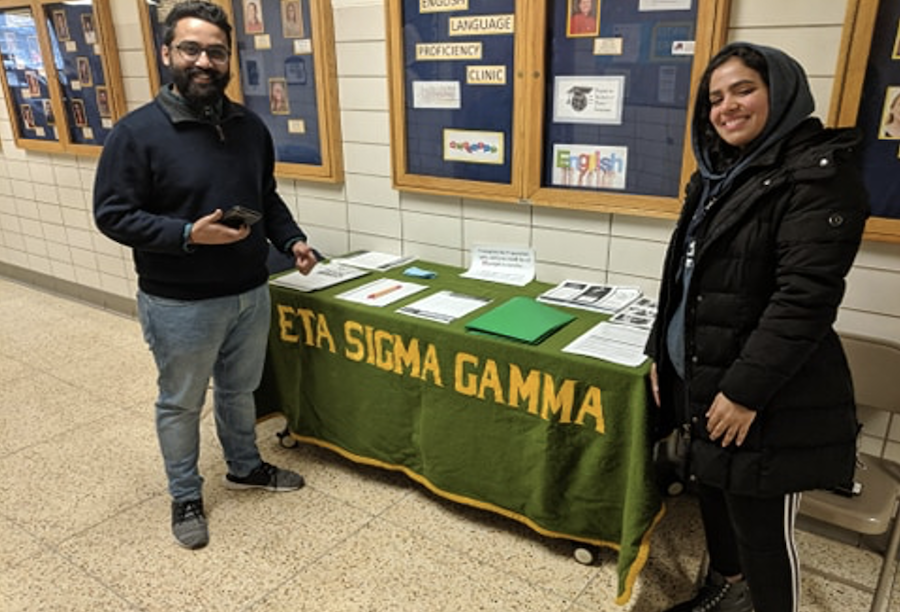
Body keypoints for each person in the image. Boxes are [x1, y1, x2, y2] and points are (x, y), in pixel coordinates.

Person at [646, 42, 868, 612]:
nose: (727, 107)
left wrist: (745, 393)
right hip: (703, 377)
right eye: (716, 97)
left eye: (744, 89)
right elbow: (684, 280)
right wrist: (658, 353)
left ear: (783, 91)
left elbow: (806, 299)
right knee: (715, 499)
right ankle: (725, 591)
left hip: (766, 396)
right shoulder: (717, 178)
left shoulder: (818, 176)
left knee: (763, 533)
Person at [93, 1, 318, 550]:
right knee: (181, 402)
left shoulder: (248, 126)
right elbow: (112, 214)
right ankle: (185, 493)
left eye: (216, 51)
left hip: (249, 291)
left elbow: (263, 197)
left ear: (229, 60)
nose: (204, 61)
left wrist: (291, 239)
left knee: (240, 392)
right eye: (191, 49)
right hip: (180, 302)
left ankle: (244, 466)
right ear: (167, 54)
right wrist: (189, 234)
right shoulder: (137, 133)